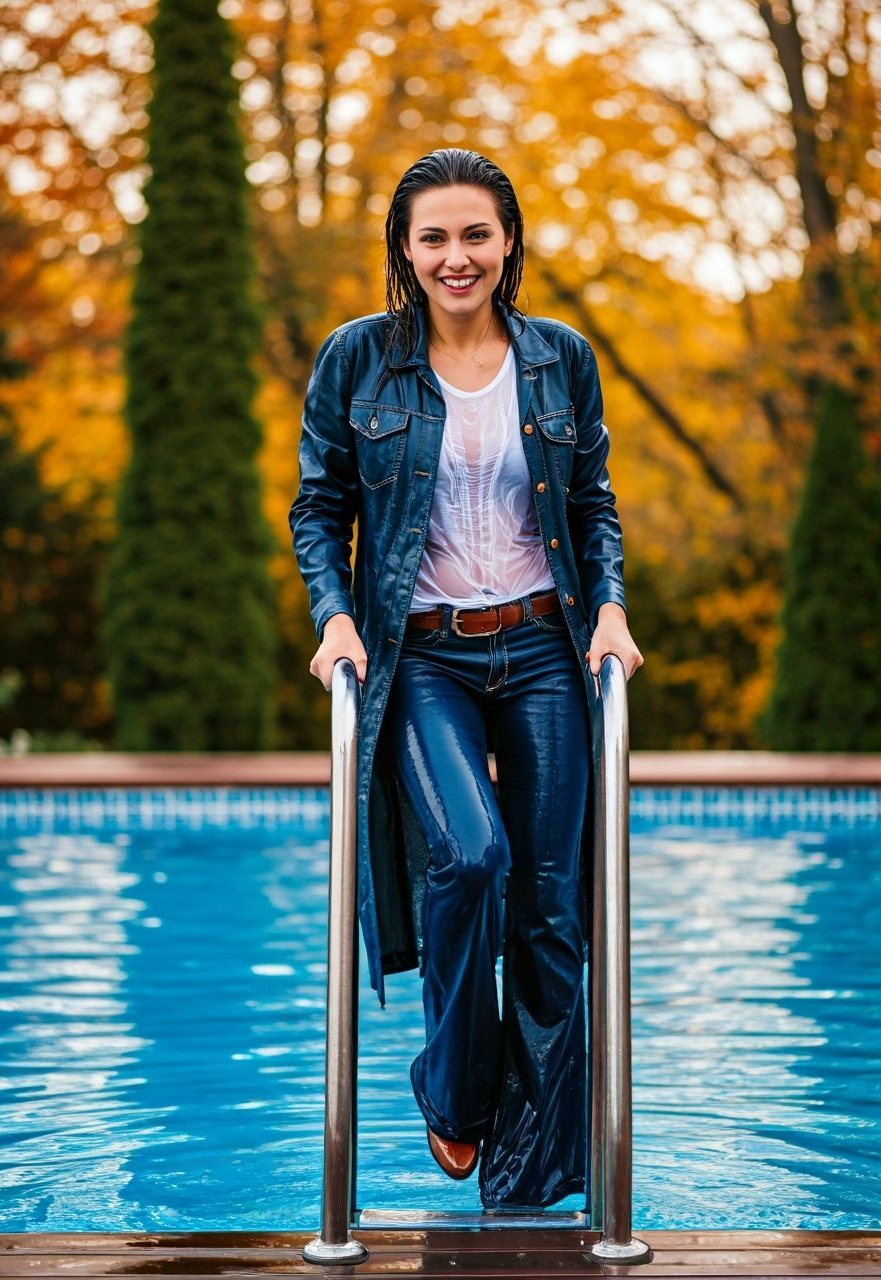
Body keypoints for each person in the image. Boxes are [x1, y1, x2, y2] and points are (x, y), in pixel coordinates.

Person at [289, 148, 643, 1211]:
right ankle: (451, 1090)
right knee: (472, 854)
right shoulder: (359, 360)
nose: (456, 256)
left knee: (549, 915)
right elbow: (319, 508)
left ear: (506, 242)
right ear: (404, 248)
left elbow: (590, 503)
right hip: (423, 650)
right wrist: (334, 616)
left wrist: (613, 601)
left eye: (474, 234)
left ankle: (524, 1196)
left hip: (543, 642)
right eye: (433, 236)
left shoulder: (557, 357)